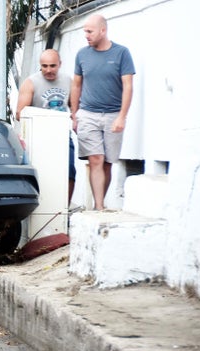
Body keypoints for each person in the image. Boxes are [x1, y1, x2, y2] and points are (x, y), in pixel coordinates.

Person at [70, 14, 135, 211]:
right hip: (88, 114)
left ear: (102, 30)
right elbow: (76, 85)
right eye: (85, 31)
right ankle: (98, 207)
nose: (86, 35)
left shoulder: (122, 53)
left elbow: (128, 86)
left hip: (113, 115)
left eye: (89, 31)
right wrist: (74, 114)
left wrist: (122, 116)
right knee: (95, 159)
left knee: (107, 163)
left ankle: (101, 202)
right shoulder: (82, 55)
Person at [16, 48, 76, 205]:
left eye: (52, 66)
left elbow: (75, 107)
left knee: (69, 173)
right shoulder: (31, 83)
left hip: (62, 135)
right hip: (39, 136)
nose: (48, 70)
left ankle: (64, 209)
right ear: (40, 65)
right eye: (45, 66)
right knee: (41, 175)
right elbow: (19, 114)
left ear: (60, 64)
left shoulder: (68, 81)